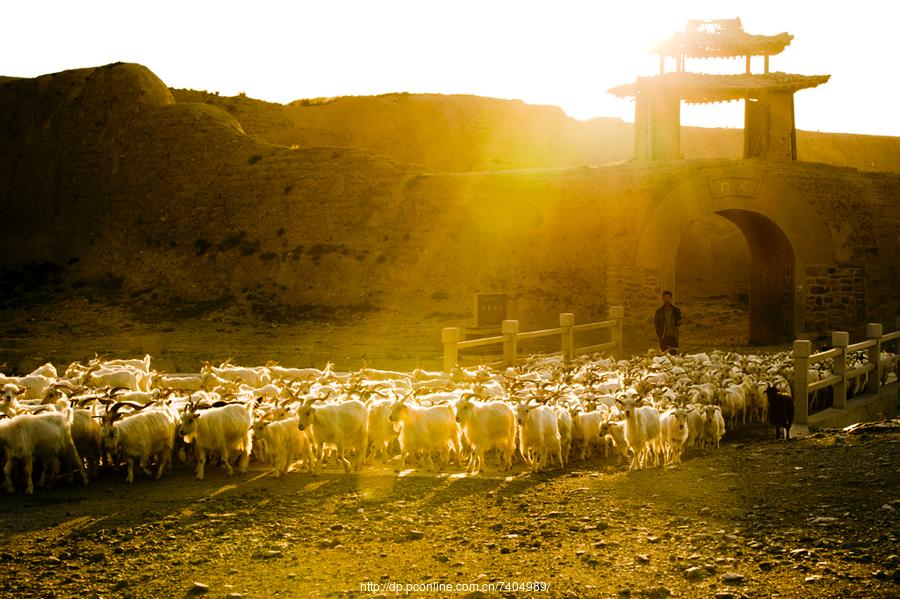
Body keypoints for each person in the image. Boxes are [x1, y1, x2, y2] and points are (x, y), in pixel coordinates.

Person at [654, 290, 682, 355]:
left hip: (673, 337)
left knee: (674, 356)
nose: (667, 299)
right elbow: (656, 324)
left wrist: (678, 323)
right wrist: (660, 335)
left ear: (671, 298)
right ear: (663, 299)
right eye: (665, 298)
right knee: (664, 356)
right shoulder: (659, 311)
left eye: (668, 297)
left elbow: (680, 320)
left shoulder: (676, 310)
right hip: (664, 337)